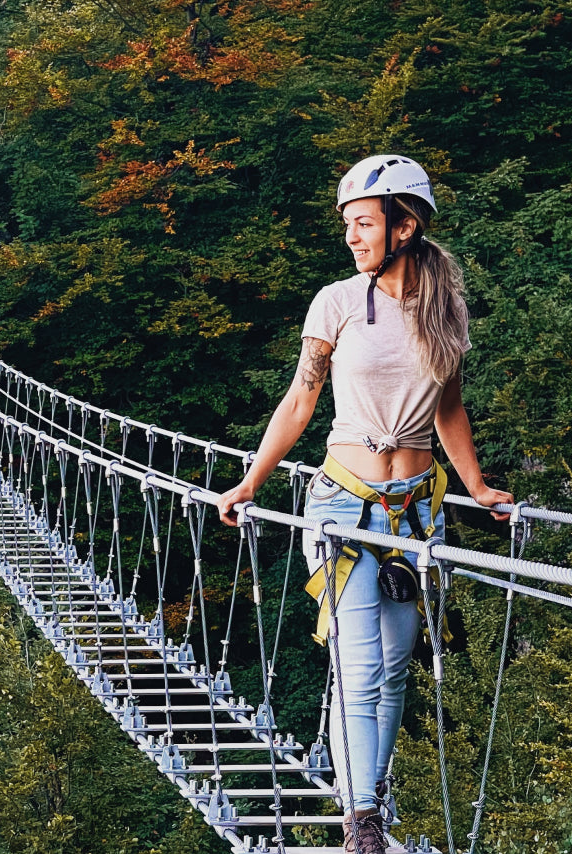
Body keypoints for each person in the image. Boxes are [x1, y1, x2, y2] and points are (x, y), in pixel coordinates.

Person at [216, 153, 512, 854]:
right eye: (348, 226)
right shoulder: (337, 302)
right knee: (361, 664)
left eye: (364, 225)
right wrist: (251, 480)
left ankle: (366, 807)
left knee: (395, 666)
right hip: (343, 503)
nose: (352, 238)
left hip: (415, 510)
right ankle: (363, 819)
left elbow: (450, 410)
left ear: (404, 228)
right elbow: (301, 399)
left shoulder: (444, 310)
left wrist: (476, 486)